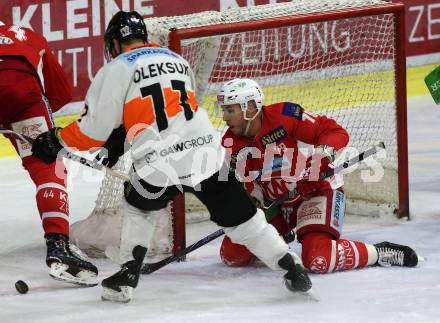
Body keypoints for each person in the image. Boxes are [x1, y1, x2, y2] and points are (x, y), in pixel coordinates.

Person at [30, 11, 312, 303]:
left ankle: (127, 273)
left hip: (158, 160)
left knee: (139, 207)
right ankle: (290, 266)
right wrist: (120, 140)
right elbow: (165, 108)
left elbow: (91, 132)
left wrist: (55, 140)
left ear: (114, 42)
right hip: (204, 149)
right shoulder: (176, 60)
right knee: (243, 220)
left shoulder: (115, 69)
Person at [217, 78, 419, 273]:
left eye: (230, 110)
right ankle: (281, 235)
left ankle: (379, 253)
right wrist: (253, 202)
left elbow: (334, 131)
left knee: (318, 259)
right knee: (232, 254)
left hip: (317, 192)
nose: (224, 117)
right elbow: (251, 184)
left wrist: (318, 162)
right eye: (224, 110)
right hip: (279, 205)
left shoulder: (284, 115)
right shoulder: (230, 143)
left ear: (250, 107)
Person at [0, 24, 98, 286]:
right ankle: (58, 247)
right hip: (23, 96)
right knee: (48, 166)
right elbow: (60, 92)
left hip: (18, 99)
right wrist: (25, 122)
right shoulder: (25, 33)